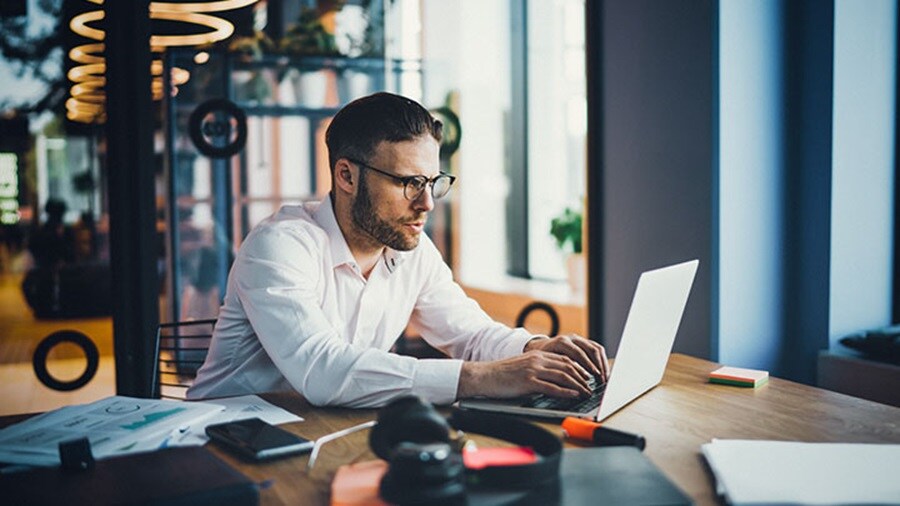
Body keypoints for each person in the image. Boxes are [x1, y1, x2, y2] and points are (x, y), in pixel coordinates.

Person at [187, 92, 608, 407]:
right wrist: (485, 377)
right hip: (219, 443)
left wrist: (534, 349)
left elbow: (470, 333)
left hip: (321, 433)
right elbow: (323, 372)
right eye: (409, 183)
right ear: (346, 176)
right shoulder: (280, 246)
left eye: (433, 183)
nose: (427, 204)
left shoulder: (411, 250)